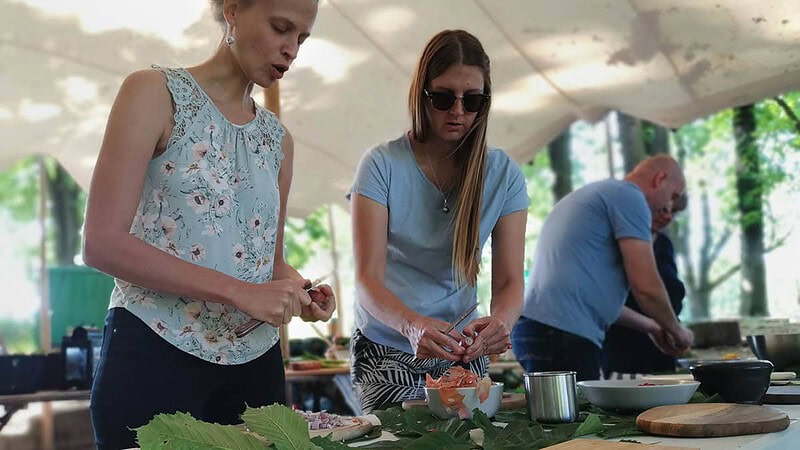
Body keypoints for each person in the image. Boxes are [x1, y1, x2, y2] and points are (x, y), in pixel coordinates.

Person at [82, 1, 335, 448]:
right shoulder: (153, 91)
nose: (291, 49)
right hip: (153, 357)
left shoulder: (278, 140)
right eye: (281, 28)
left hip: (256, 374)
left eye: (302, 38)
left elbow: (267, 261)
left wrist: (298, 289)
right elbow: (101, 243)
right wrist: (241, 292)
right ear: (233, 10)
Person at [348, 29, 529, 413]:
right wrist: (412, 325)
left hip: (463, 351)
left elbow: (512, 280)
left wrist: (501, 323)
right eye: (444, 97)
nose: (458, 111)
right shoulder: (381, 164)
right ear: (422, 94)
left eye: (473, 100)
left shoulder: (504, 173)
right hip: (387, 347)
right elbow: (367, 280)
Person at [511, 155, 694, 381]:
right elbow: (646, 286)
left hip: (536, 330)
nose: (668, 208)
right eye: (673, 196)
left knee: (564, 412)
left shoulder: (602, 194)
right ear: (660, 179)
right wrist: (678, 331)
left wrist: (654, 328)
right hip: (561, 335)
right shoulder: (630, 197)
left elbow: (594, 299)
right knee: (581, 415)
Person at [602, 194, 688, 378]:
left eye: (674, 212)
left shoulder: (664, 244)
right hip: (622, 349)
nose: (668, 217)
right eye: (663, 209)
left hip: (662, 350)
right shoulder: (614, 244)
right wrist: (655, 326)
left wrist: (673, 329)